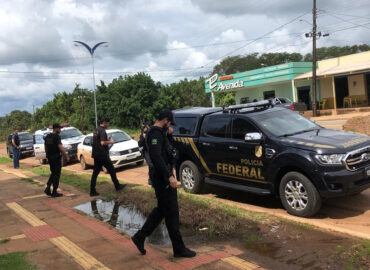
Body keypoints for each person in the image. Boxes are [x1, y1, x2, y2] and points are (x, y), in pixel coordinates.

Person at [132, 110, 196, 258]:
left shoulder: (161, 133)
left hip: (164, 176)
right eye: (169, 123)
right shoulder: (154, 133)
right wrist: (169, 177)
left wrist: (169, 134)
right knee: (172, 212)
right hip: (162, 178)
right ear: (165, 120)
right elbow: (156, 157)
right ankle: (179, 249)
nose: (170, 125)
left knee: (162, 210)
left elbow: (169, 151)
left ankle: (140, 237)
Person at [90, 117, 126, 196]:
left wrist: (106, 138)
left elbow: (98, 140)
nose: (108, 124)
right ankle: (117, 186)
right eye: (108, 123)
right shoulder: (102, 131)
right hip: (102, 154)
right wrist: (110, 141)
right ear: (104, 122)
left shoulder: (96, 129)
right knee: (112, 170)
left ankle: (92, 190)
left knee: (95, 173)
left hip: (96, 154)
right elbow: (102, 143)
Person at [44, 123, 70, 197]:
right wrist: (66, 156)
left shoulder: (47, 136)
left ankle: (48, 187)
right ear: (55, 128)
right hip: (56, 157)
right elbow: (60, 147)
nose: (60, 129)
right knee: (56, 175)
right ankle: (54, 191)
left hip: (50, 158)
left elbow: (45, 146)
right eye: (59, 128)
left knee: (53, 173)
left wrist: (47, 155)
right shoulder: (57, 136)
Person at [138, 121, 153, 185]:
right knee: (151, 165)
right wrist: (144, 138)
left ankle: (154, 179)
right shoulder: (143, 134)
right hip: (146, 151)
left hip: (153, 151)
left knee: (155, 165)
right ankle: (150, 180)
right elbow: (139, 144)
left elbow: (154, 142)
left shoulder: (153, 133)